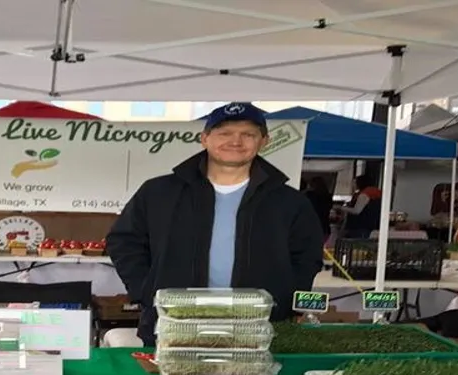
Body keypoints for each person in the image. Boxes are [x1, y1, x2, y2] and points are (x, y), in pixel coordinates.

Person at [106, 101, 325, 346]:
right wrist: (147, 292)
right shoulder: (159, 192)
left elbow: (307, 256)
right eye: (224, 133)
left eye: (248, 134)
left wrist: (284, 302)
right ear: (204, 139)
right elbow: (124, 242)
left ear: (264, 141)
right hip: (175, 323)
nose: (236, 141)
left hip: (258, 327)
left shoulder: (290, 201)